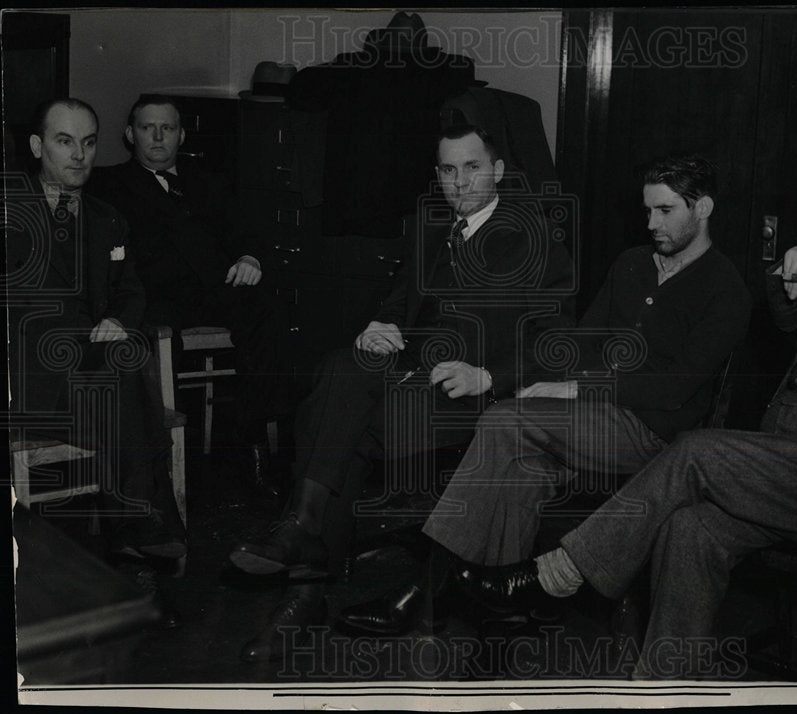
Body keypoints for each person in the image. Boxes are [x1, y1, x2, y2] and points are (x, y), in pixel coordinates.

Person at [456, 147, 797, 678]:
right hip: (789, 468)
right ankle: (663, 686)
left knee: (697, 450)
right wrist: (793, 272)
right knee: (690, 528)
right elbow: (792, 321)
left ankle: (562, 571)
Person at [336, 155, 753, 635]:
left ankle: (426, 591)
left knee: (504, 422)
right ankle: (499, 609)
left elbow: (676, 388)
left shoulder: (726, 289)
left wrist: (576, 387)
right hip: (590, 420)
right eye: (647, 211)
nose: (650, 223)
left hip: (653, 432)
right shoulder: (632, 264)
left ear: (702, 208)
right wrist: (512, 377)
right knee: (517, 462)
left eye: (664, 211)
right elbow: (581, 339)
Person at [229, 124, 575, 660]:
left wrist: (490, 376)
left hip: (475, 394)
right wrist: (380, 326)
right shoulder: (429, 228)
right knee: (342, 369)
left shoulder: (534, 239)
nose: (458, 182)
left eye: (471, 167)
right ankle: (302, 533)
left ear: (499, 169)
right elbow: (397, 302)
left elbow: (557, 342)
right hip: (409, 376)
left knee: (338, 422)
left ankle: (305, 584)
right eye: (446, 170)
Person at [7, 98, 185, 558]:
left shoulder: (108, 219)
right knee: (130, 392)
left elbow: (132, 292)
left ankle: (138, 534)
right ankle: (145, 531)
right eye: (64, 142)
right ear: (36, 145)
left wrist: (117, 320)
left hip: (91, 370)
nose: (79, 155)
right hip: (27, 377)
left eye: (87, 143)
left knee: (123, 363)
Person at [90, 94, 286, 494]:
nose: (158, 137)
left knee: (267, 311)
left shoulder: (207, 179)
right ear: (131, 135)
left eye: (168, 128)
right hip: (157, 296)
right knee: (155, 339)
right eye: (148, 128)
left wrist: (249, 256)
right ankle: (168, 460)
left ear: (181, 135)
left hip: (215, 290)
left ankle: (250, 446)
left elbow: (246, 231)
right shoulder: (109, 185)